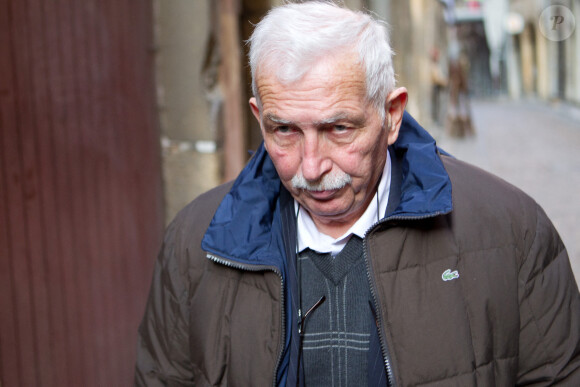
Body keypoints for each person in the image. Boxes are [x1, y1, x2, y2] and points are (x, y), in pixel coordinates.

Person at [135, 2, 580, 386]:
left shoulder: (511, 230)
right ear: (259, 116)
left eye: (339, 128)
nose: (311, 167)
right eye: (284, 129)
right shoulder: (193, 245)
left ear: (391, 115)